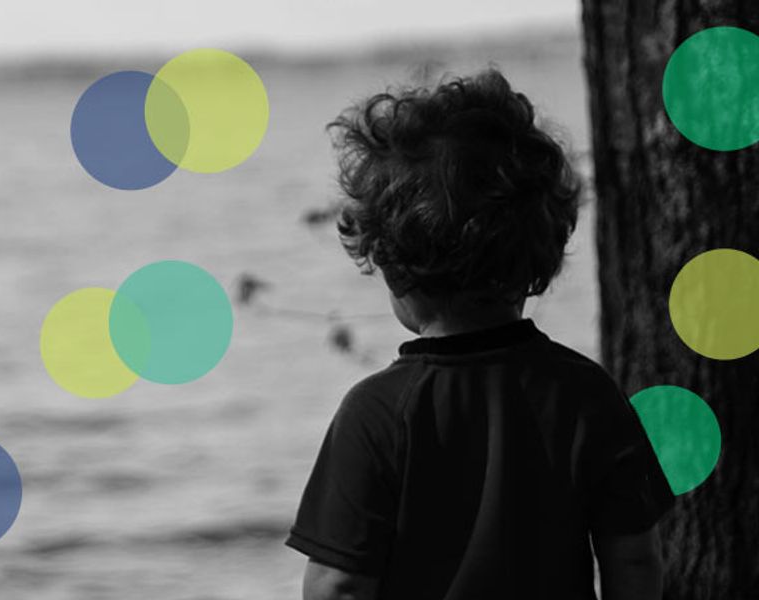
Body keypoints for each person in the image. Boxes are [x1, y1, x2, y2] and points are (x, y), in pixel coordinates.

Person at [287, 69, 675, 600]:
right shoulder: (587, 394)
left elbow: (338, 586)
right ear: (538, 255)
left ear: (393, 264)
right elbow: (634, 557)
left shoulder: (375, 413)